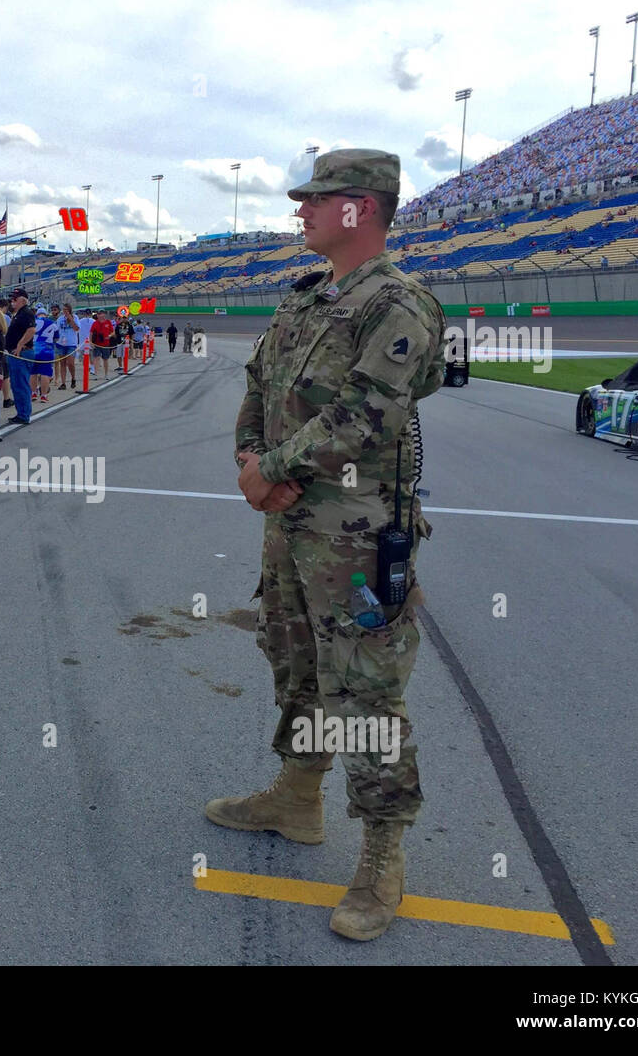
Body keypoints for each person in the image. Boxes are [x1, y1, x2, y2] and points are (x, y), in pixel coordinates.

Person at [212, 149, 445, 943]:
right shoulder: (307, 296)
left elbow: (366, 414)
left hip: (357, 532)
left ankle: (382, 859)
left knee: (365, 692)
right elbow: (258, 388)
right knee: (296, 660)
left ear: (363, 208)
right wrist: (252, 464)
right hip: (291, 525)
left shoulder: (400, 304)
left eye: (317, 198)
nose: (300, 209)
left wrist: (270, 472)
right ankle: (297, 797)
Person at [3, 287, 37, 423]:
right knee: (16, 384)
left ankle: (23, 414)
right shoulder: (19, 314)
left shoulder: (26, 313)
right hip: (16, 353)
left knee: (20, 384)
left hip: (21, 353)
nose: (12, 301)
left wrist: (20, 344)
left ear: (22, 300)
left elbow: (31, 330)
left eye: (15, 299)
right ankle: (21, 412)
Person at [89, 310, 114, 378]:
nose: (99, 315)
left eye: (101, 314)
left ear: (104, 315)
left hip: (106, 344)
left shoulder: (108, 322)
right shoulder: (95, 323)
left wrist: (109, 336)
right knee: (96, 358)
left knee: (105, 359)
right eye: (98, 314)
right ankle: (96, 374)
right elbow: (91, 333)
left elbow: (113, 332)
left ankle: (106, 374)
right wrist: (91, 342)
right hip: (97, 344)